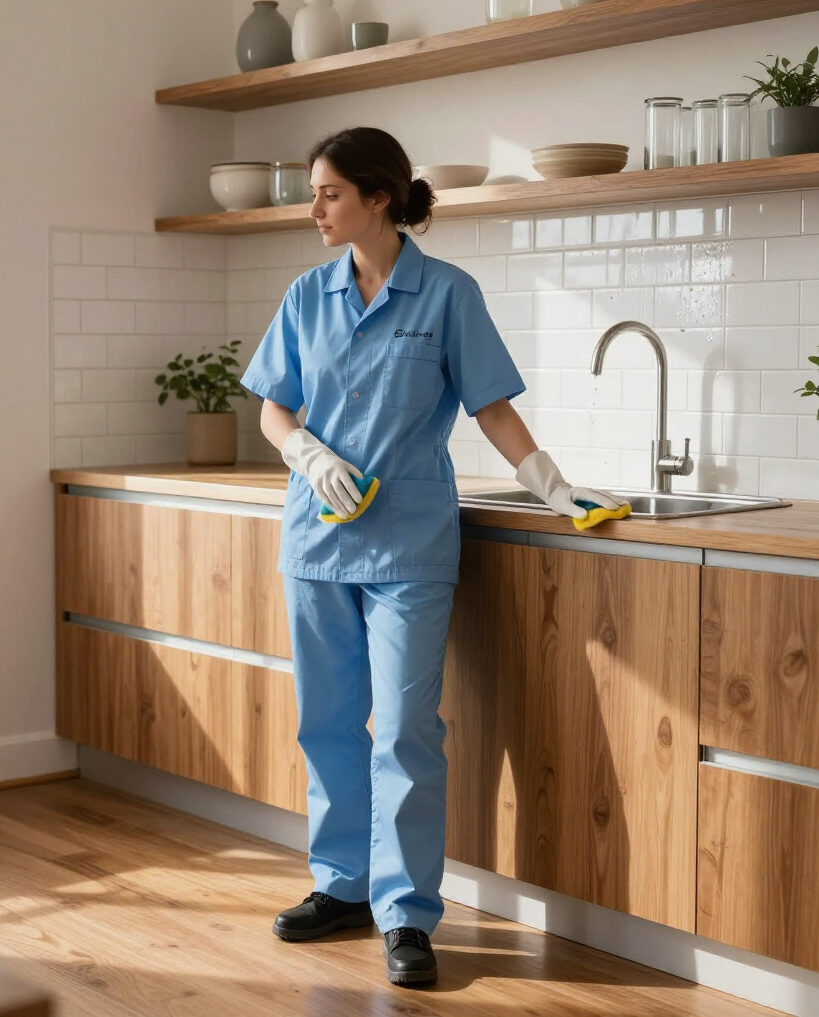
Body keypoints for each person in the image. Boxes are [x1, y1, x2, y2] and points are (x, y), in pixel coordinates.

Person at [239, 127, 622, 989]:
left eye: (329, 194)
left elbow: (491, 408)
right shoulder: (307, 295)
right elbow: (274, 411)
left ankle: (407, 913)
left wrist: (554, 486)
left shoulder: (448, 294)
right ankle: (341, 887)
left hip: (410, 545)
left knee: (407, 731)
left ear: (378, 197)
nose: (315, 211)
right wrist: (310, 456)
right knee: (327, 725)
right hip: (315, 539)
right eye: (314, 194)